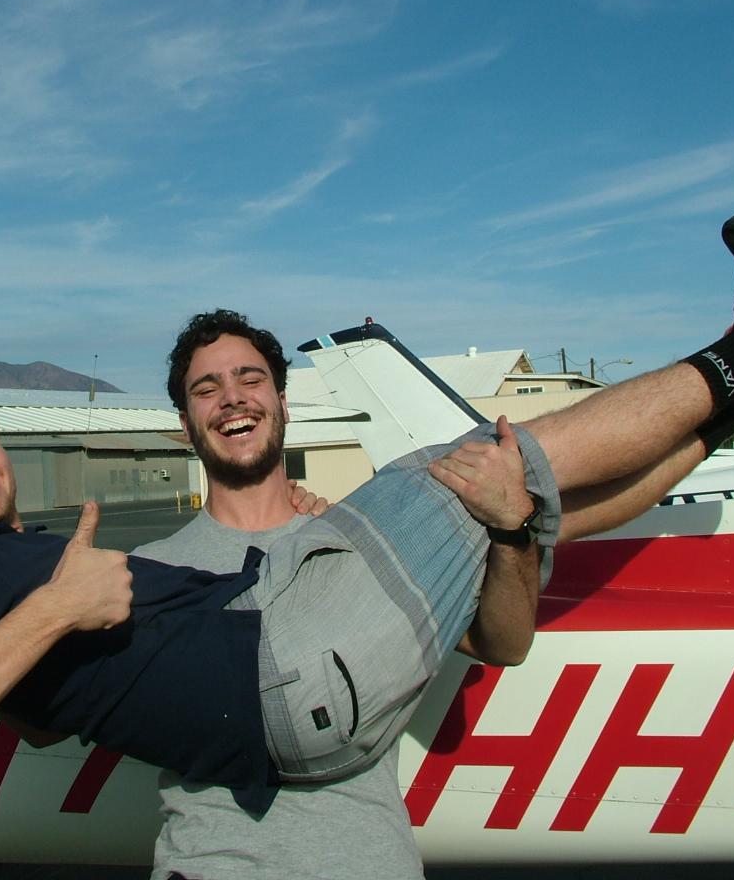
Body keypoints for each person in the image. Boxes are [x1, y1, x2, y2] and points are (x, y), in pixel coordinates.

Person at [0, 215, 734, 823]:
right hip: (290, 667)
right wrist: (54, 610)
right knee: (460, 465)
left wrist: (47, 639)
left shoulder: (12, 574)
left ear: (281, 403)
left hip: (301, 668)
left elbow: (39, 729)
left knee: (513, 502)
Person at [133, 309, 541, 880]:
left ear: (282, 404)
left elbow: (504, 643)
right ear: (185, 423)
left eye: (250, 379)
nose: (232, 398)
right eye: (207, 389)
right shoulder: (145, 573)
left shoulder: (358, 538)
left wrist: (511, 529)